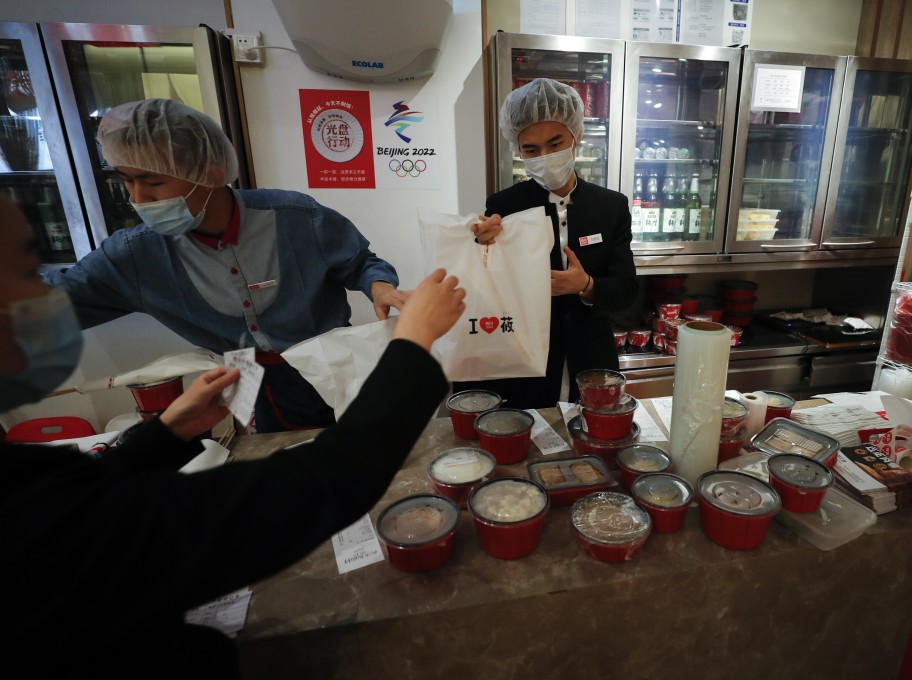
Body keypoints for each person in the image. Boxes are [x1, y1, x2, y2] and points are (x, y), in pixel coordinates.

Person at [0, 194, 465, 678]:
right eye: (32, 274)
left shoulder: (296, 218)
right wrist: (413, 343)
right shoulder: (34, 527)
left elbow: (83, 497)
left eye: (39, 272)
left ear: (209, 171)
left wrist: (165, 434)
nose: (51, 297)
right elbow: (325, 479)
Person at [43, 98, 408, 433]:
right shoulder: (135, 256)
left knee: (364, 449)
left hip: (333, 362)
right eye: (127, 181)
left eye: (153, 181)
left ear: (210, 174)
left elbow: (359, 262)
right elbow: (50, 302)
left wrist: (379, 286)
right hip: (248, 378)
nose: (138, 198)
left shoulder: (295, 217)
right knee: (280, 466)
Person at [455, 78, 638, 408]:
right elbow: (485, 285)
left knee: (590, 439)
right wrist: (481, 244)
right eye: (531, 150)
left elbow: (626, 289)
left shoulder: (611, 206)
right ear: (518, 149)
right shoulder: (505, 205)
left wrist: (587, 285)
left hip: (591, 358)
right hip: (526, 357)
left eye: (555, 144)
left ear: (576, 135)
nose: (545, 156)